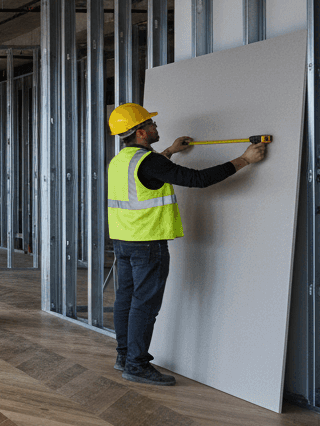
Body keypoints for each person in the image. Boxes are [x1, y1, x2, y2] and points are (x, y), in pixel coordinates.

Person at [106, 102, 266, 386]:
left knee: (126, 301)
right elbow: (198, 179)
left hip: (124, 241)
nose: (156, 127)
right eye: (151, 124)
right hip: (148, 244)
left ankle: (124, 357)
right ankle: (136, 365)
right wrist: (244, 159)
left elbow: (146, 174)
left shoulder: (120, 160)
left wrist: (169, 151)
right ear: (141, 132)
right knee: (144, 306)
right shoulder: (150, 162)